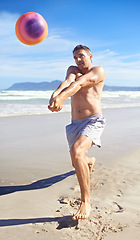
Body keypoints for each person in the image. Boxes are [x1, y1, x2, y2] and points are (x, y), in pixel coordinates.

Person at [48, 45, 106, 220]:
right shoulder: (73, 69)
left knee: (77, 151)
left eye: (81, 56)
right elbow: (67, 82)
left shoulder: (99, 71)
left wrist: (62, 98)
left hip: (93, 121)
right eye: (75, 57)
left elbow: (78, 84)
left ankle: (85, 202)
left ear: (90, 56)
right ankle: (90, 161)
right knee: (77, 160)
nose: (78, 60)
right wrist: (55, 95)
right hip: (75, 124)